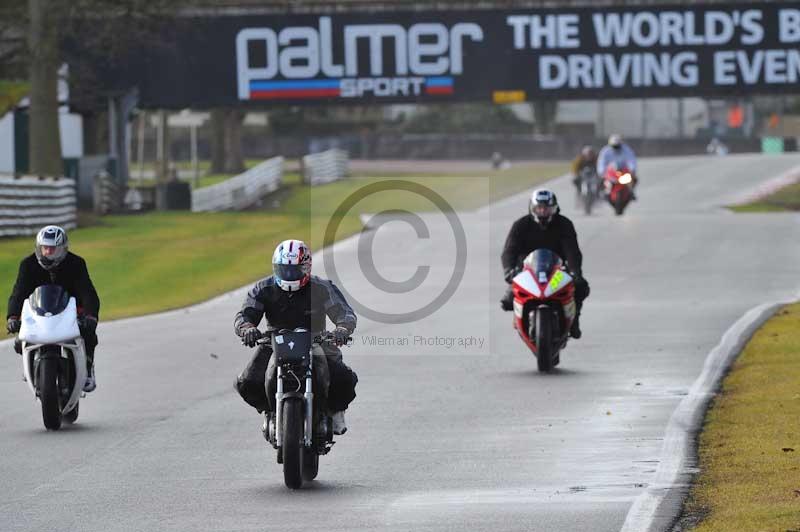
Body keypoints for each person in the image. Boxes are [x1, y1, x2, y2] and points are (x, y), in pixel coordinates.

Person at [234, 239, 358, 435]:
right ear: (275, 267)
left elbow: (344, 313)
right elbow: (244, 315)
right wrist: (247, 328)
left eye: (294, 270)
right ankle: (271, 411)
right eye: (284, 269)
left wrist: (342, 329)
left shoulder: (322, 287)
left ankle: (334, 411)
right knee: (247, 382)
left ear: (306, 267)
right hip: (273, 342)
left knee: (345, 379)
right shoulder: (262, 288)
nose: (289, 274)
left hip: (318, 341)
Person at [6, 225, 100, 392]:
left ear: (63, 249)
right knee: (20, 341)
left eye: (52, 249)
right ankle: (32, 364)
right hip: (38, 312)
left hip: (70, 310)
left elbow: (88, 292)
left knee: (88, 333)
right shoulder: (28, 264)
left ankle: (88, 368)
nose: (48, 253)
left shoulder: (76, 263)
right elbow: (18, 293)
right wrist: (12, 317)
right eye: (45, 248)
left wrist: (91, 316)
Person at [499, 189, 590, 339]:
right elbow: (509, 251)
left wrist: (575, 271)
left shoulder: (564, 224)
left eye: (546, 208)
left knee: (580, 287)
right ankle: (519, 318)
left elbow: (572, 251)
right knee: (507, 300)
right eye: (539, 208)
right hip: (527, 271)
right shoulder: (521, 225)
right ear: (532, 208)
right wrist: (508, 270)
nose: (542, 211)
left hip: (557, 272)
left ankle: (574, 320)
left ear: (554, 208)